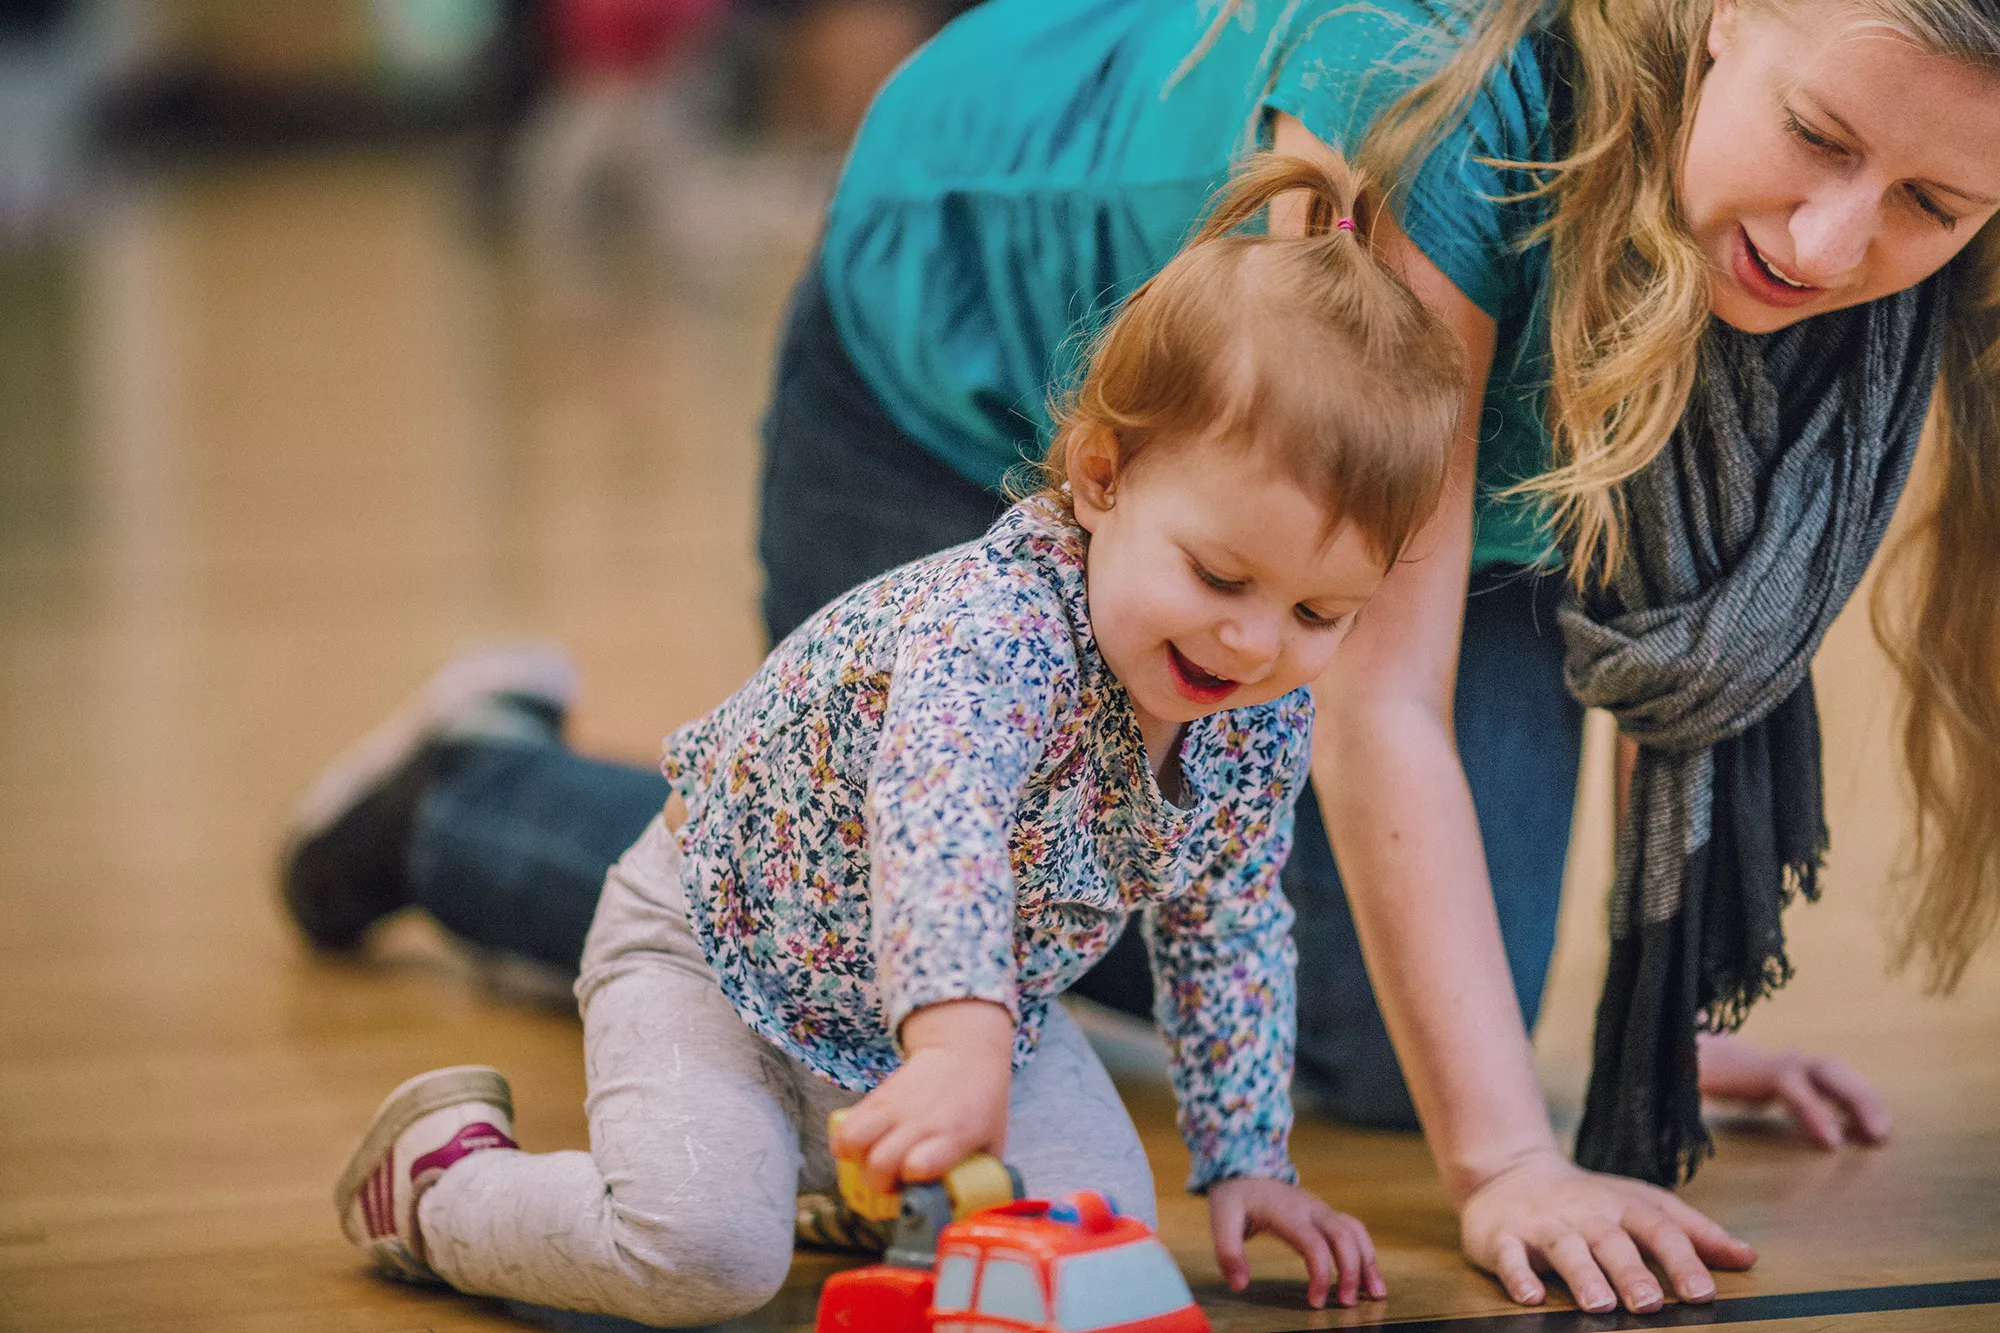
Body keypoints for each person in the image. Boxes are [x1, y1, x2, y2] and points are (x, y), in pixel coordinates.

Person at [287, 0, 2000, 1315]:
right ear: (1718, 17)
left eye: (1932, 201)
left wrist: (1626, 1041)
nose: (1837, 248)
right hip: (955, 365)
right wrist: (1508, 1161)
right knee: (893, 852)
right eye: (1817, 135)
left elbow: (1593, 635)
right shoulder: (1452, 126)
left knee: (1360, 1050)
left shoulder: (1838, 259)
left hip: (1331, 531)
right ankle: (469, 794)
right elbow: (1371, 699)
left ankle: (859, 1054)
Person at [328, 153, 1466, 1322]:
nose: (1251, 643)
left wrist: (1246, 1158)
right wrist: (958, 1053)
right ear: (1101, 478)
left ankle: (846, 1171)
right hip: (717, 952)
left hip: (965, 1018)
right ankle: (440, 1187)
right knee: (705, 1253)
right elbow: (943, 825)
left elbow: (1226, 921)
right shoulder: (998, 631)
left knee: (1096, 1249)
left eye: (1317, 613)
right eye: (1219, 574)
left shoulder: (1257, 718)